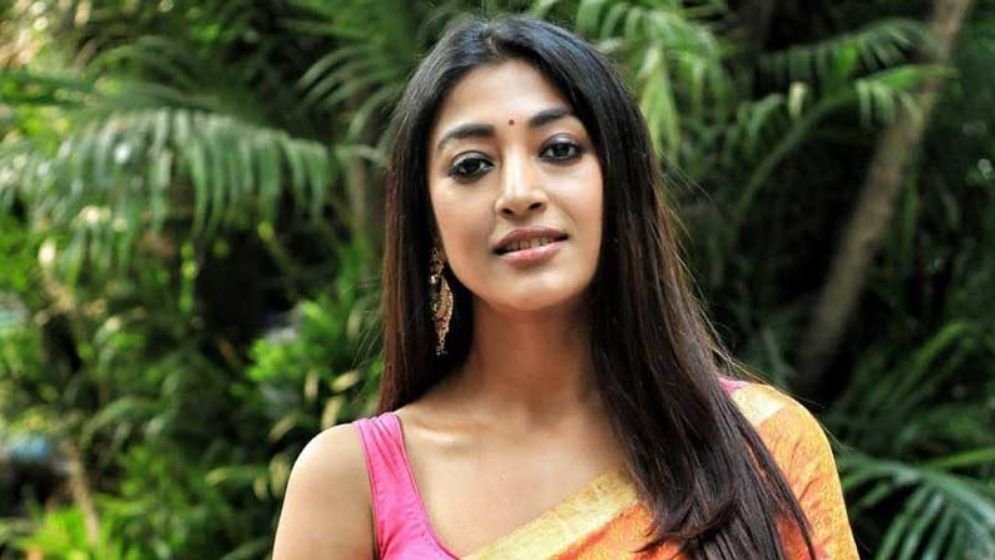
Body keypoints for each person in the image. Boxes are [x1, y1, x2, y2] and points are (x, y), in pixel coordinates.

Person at [272, 15, 859, 560]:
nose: (519, 193)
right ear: (427, 219)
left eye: (559, 150)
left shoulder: (762, 448)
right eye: (472, 165)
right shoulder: (349, 482)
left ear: (618, 186)